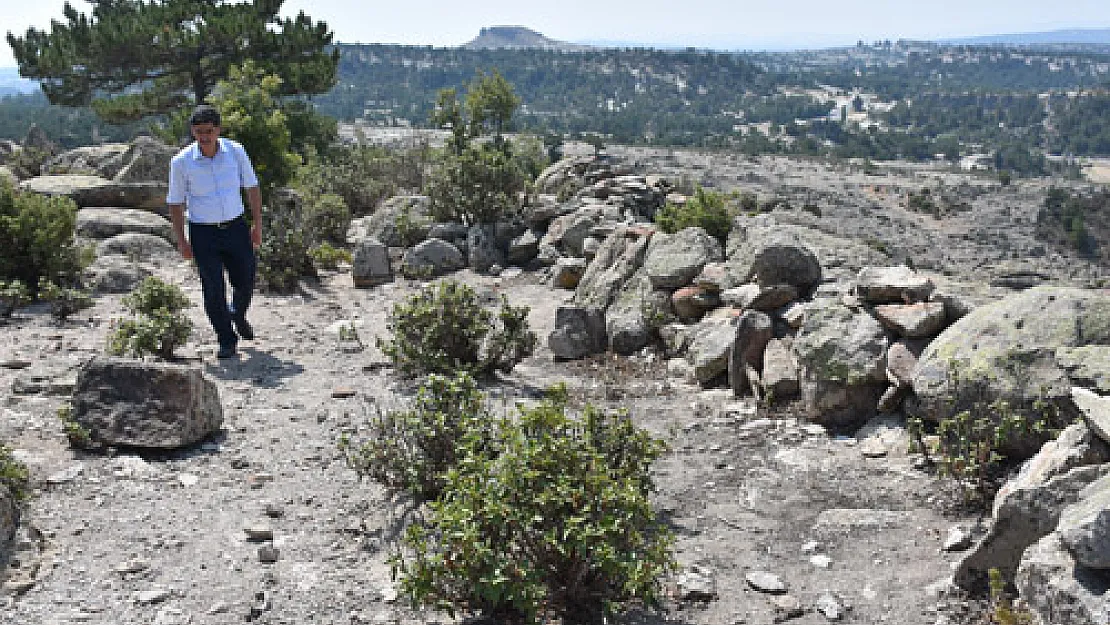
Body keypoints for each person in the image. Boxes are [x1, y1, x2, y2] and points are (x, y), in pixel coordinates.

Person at [167, 105, 263, 359]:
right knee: (212, 288)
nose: (205, 137)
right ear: (193, 132)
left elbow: (252, 187)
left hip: (236, 226)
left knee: (246, 278)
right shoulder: (181, 162)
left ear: (218, 130)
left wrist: (257, 225)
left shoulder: (236, 152)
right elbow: (175, 202)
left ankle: (238, 313)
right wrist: (181, 240)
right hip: (202, 231)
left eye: (209, 131)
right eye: (199, 132)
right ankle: (226, 339)